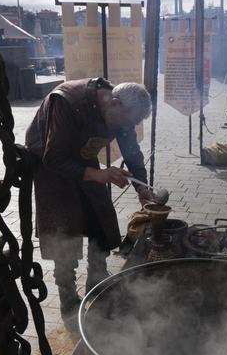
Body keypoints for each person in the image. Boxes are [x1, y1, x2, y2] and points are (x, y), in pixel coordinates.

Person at [25, 78, 152, 315]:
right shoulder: (67, 101)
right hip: (50, 163)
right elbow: (53, 157)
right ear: (114, 103)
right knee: (64, 228)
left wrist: (142, 188)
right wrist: (97, 173)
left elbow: (132, 152)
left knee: (100, 217)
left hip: (82, 157)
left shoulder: (120, 111)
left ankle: (97, 280)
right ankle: (67, 295)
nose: (127, 128)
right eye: (128, 121)